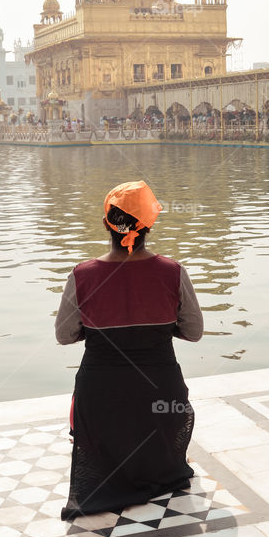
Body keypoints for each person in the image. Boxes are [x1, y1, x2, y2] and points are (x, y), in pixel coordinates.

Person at [55, 181, 203, 519]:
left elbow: (64, 335)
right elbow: (193, 332)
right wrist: (161, 327)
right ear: (148, 224)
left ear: (108, 223)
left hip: (101, 401)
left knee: (94, 412)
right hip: (163, 400)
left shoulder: (82, 275)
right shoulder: (173, 272)